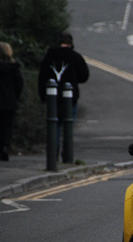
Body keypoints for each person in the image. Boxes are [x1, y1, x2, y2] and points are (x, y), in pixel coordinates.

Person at [37, 32, 89, 160]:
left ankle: (53, 156)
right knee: (68, 127)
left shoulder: (49, 57)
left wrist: (43, 96)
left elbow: (41, 77)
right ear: (71, 44)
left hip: (52, 98)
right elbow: (84, 76)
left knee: (54, 126)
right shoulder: (75, 57)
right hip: (70, 99)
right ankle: (67, 156)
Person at [0, 42, 24, 161]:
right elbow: (19, 84)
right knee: (8, 126)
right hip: (10, 101)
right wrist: (15, 96)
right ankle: (5, 147)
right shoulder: (14, 68)